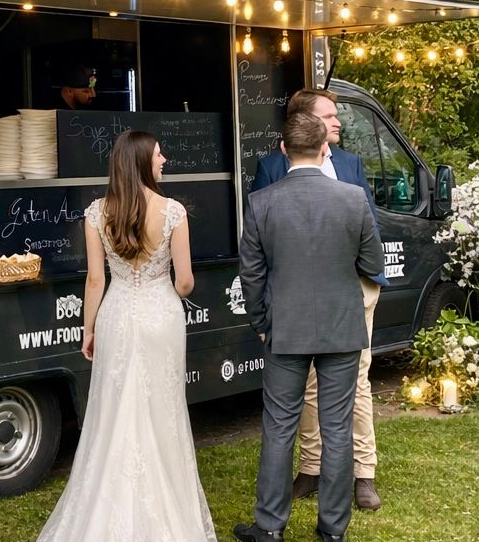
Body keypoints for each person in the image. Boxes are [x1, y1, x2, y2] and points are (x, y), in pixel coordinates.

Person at [36, 130, 217, 542]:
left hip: (115, 314)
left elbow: (96, 280)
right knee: (162, 410)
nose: (164, 159)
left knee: (114, 411)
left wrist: (89, 328)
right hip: (160, 315)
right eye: (158, 154)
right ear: (140, 161)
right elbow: (185, 281)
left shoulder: (96, 214)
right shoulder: (172, 212)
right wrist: (169, 289)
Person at [234, 112, 384, 542]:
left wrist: (263, 322)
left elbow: (252, 274)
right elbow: (373, 265)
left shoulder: (262, 203)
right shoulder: (353, 199)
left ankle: (270, 527)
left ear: (284, 150)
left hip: (285, 329)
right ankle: (332, 530)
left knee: (279, 427)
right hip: (341, 325)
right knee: (337, 428)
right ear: (324, 149)